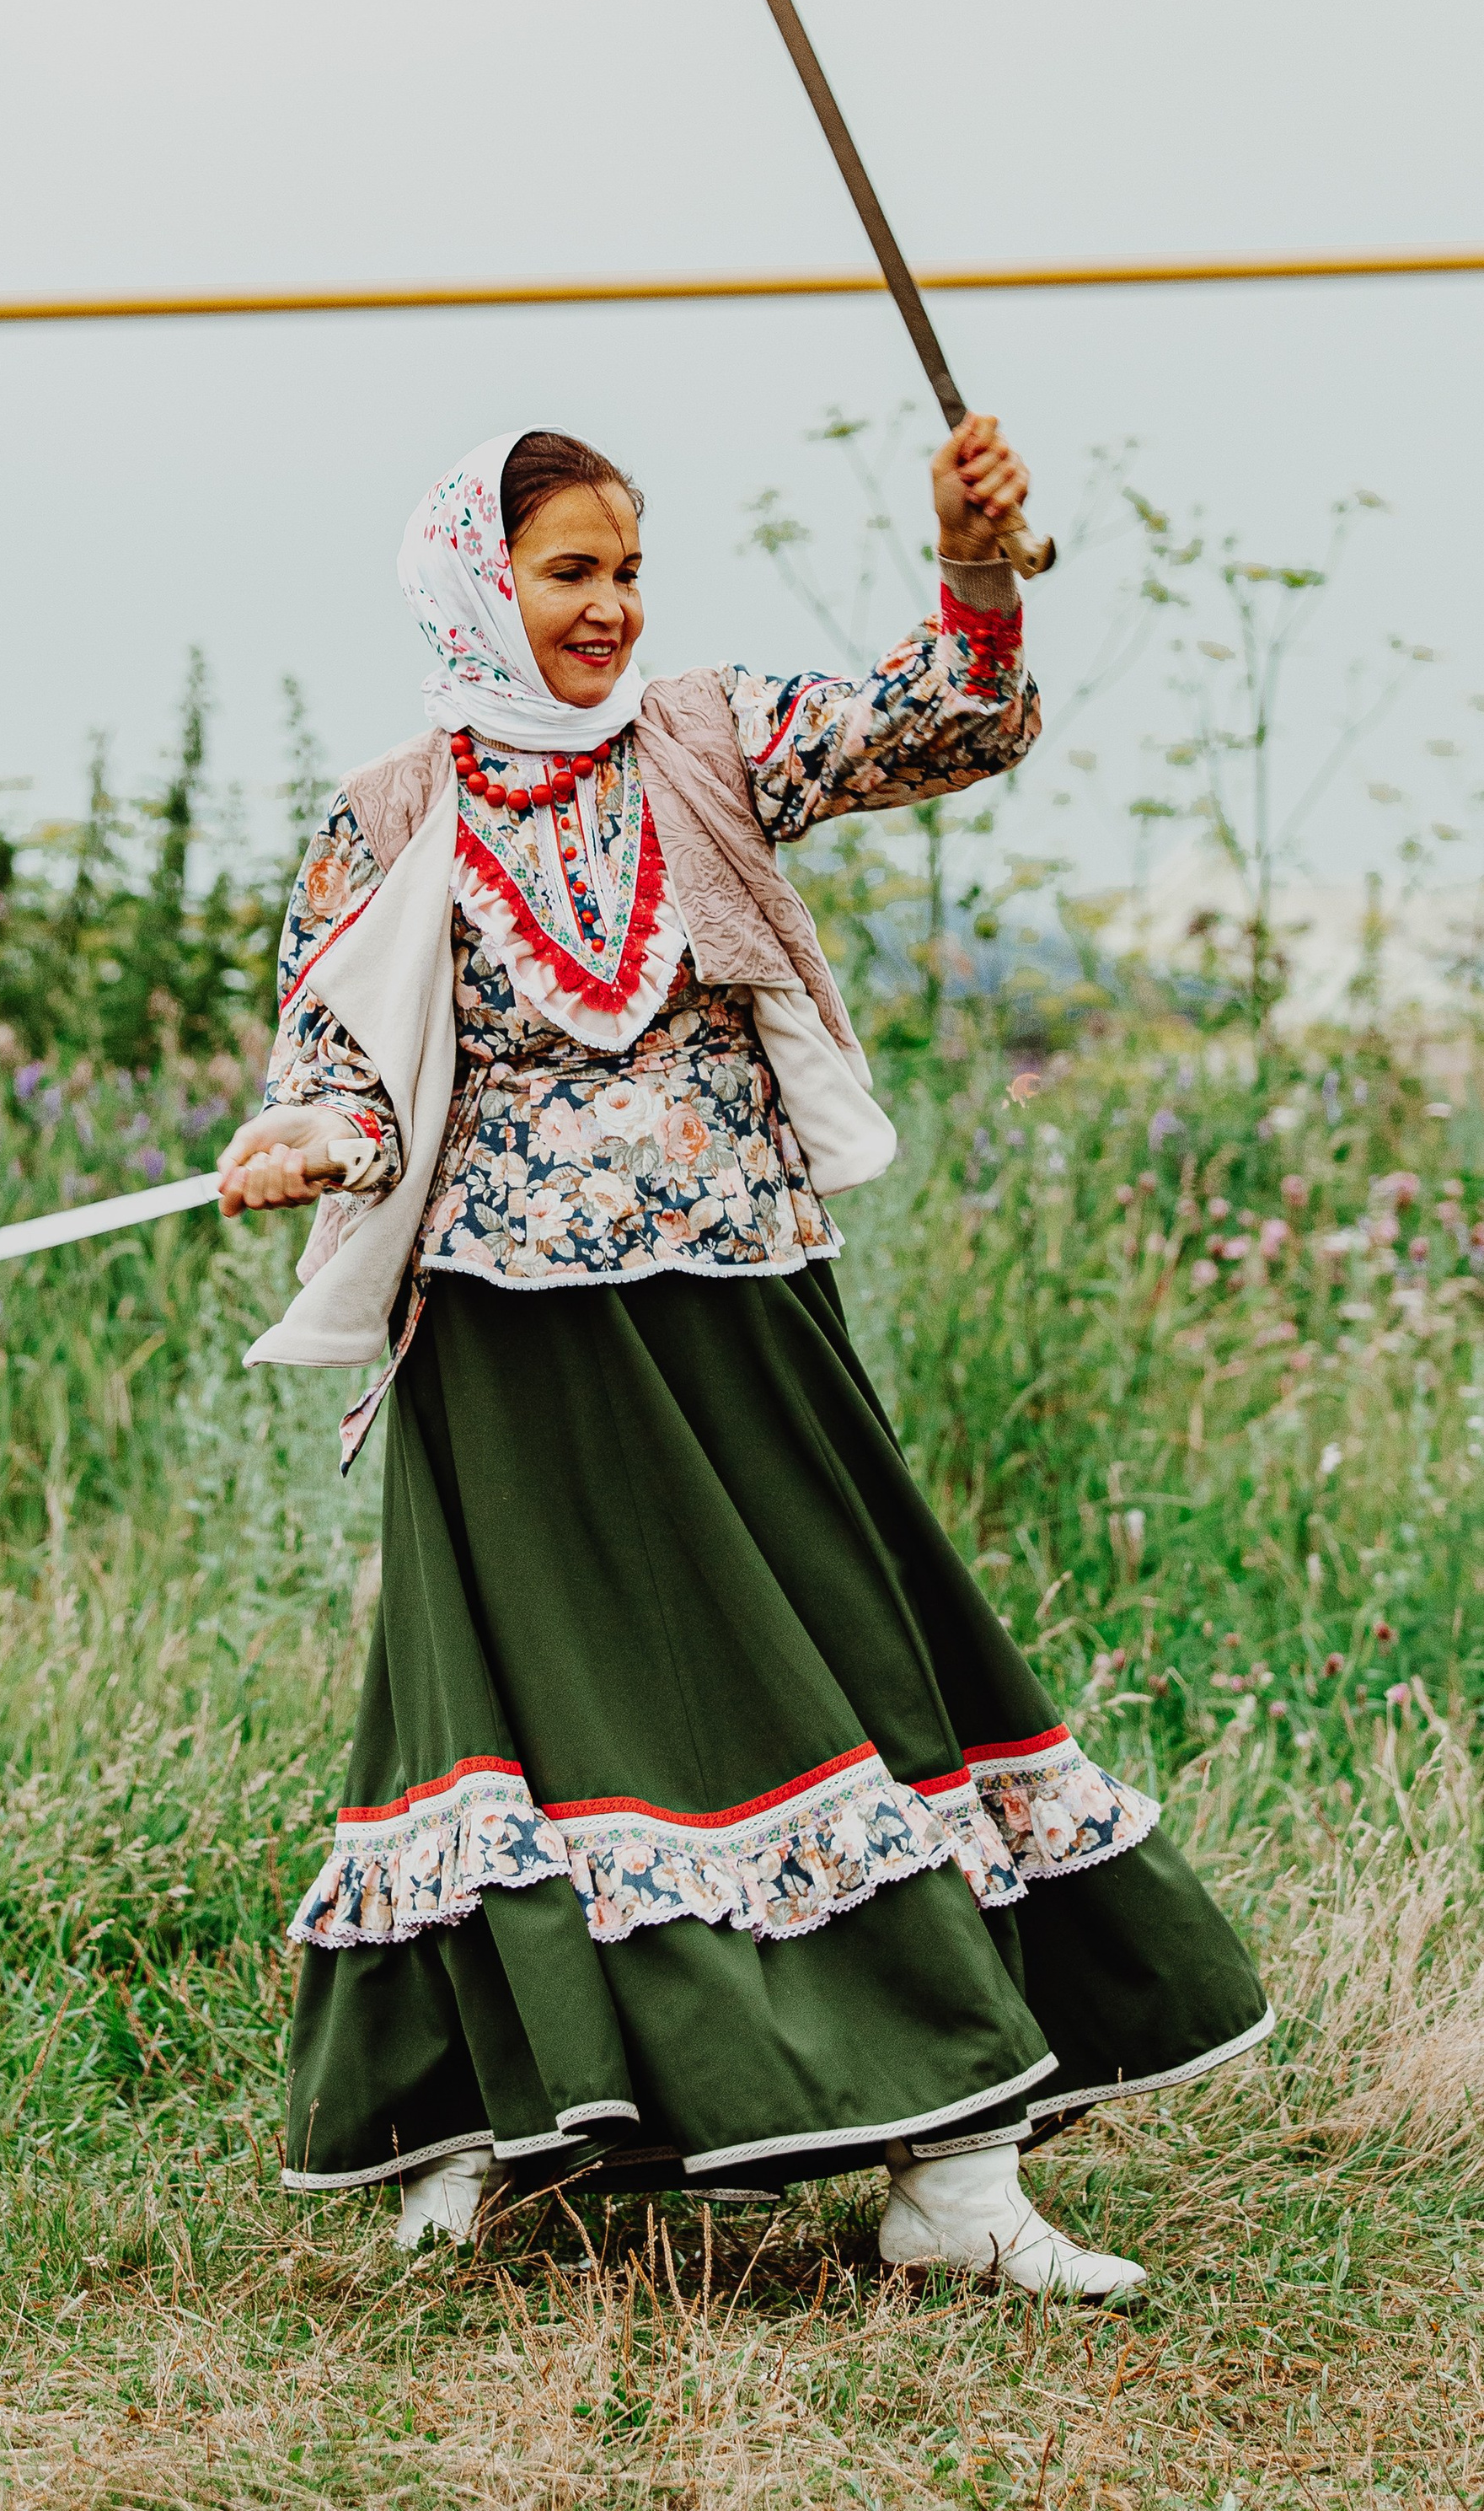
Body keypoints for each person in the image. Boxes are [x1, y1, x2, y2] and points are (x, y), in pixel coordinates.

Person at [217, 421, 1267, 2300]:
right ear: (478, 585)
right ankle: (496, 2131)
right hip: (517, 1363)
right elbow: (342, 1068)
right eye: (565, 573)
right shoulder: (385, 814)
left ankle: (954, 2170)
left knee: (864, 1678)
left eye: (624, 568)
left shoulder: (704, 738)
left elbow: (941, 717)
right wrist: (303, 1138)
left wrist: (969, 567)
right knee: (517, 1739)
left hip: (739, 1311)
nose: (607, 607)